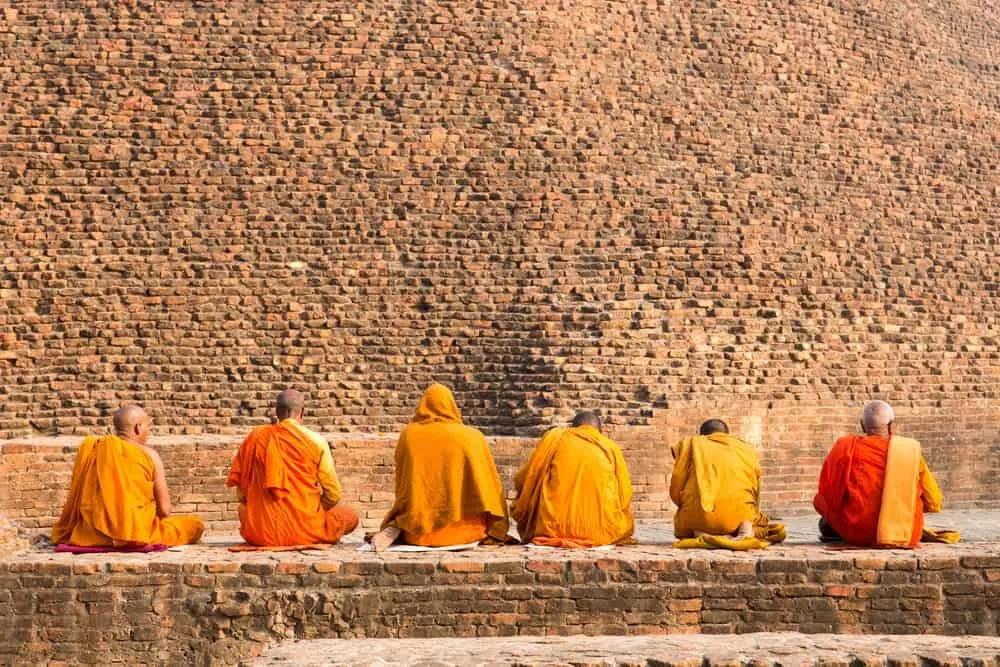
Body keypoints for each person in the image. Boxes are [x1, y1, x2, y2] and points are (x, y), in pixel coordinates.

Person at [372, 383, 509, 550]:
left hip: (418, 533)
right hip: (469, 533)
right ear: (452, 406)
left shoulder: (409, 436)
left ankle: (398, 528)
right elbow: (491, 491)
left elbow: (404, 489)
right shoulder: (473, 437)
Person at [51, 405, 204, 547]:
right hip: (136, 534)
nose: (149, 431)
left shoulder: (95, 450)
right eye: (148, 426)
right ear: (138, 427)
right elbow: (164, 510)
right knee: (194, 525)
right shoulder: (149, 455)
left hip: (90, 535)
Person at [814, 400, 954, 548]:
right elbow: (934, 502)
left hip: (858, 533)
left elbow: (828, 495)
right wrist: (903, 507)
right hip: (905, 534)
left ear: (862, 425)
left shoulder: (845, 447)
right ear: (891, 424)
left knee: (820, 502)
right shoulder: (909, 450)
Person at [227, 389, 358, 546]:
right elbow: (333, 494)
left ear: (276, 412)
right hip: (306, 530)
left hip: (262, 534)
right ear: (302, 412)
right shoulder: (316, 441)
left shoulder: (255, 438)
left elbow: (242, 494)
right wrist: (311, 510)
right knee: (351, 516)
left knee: (243, 509)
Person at [512, 411, 634, 548]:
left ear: (574, 427)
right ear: (600, 431)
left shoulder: (557, 440)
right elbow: (625, 494)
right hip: (601, 532)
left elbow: (525, 479)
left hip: (552, 529)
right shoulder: (610, 447)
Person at [670, 419, 785, 549]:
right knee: (763, 525)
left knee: (681, 529)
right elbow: (755, 488)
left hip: (699, 518)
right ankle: (747, 530)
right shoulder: (745, 449)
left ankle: (701, 532)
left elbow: (676, 486)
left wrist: (684, 504)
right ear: (727, 435)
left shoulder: (692, 444)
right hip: (739, 517)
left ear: (702, 435)